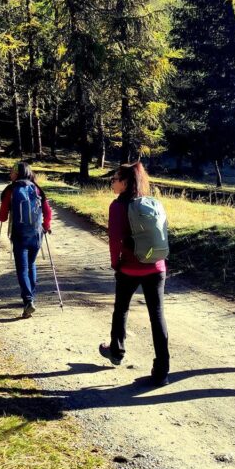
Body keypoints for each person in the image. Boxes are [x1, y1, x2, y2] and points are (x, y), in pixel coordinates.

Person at [99, 162, 170, 386]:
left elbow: (114, 240)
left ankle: (117, 351)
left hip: (129, 267)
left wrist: (115, 264)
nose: (112, 181)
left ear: (126, 182)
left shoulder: (118, 206)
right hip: (157, 266)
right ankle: (162, 371)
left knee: (121, 309)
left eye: (115, 178)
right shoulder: (152, 203)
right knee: (157, 315)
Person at [0, 162, 53, 318]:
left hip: (19, 234)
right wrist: (46, 226)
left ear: (17, 173)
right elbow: (47, 211)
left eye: (11, 172)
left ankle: (28, 300)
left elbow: (3, 212)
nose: (10, 175)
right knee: (31, 264)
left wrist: (1, 218)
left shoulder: (11, 190)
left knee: (22, 269)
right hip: (36, 235)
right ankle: (31, 297)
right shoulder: (37, 188)